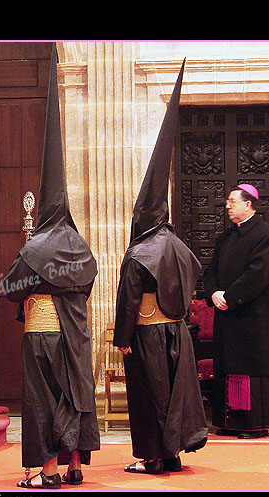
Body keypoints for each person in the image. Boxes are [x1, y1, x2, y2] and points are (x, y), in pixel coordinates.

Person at [1, 45, 99, 489]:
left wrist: (30, 267)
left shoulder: (37, 246)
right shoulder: (79, 245)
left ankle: (48, 473)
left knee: (43, 399)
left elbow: (9, 289)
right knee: (73, 396)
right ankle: (75, 466)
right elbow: (87, 282)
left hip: (42, 333)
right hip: (75, 335)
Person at [113, 59, 208, 475]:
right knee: (176, 394)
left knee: (150, 395)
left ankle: (153, 457)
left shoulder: (138, 253)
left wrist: (123, 338)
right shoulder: (178, 246)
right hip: (177, 333)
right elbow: (196, 274)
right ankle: (172, 452)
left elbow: (129, 297)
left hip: (149, 334)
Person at [203, 183, 269, 438]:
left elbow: (257, 275)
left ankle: (252, 425)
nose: (227, 205)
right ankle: (229, 422)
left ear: (248, 204)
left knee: (250, 369)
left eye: (232, 201)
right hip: (227, 314)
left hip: (253, 316)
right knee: (228, 367)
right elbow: (211, 271)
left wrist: (230, 296)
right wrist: (214, 293)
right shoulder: (226, 236)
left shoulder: (265, 234)